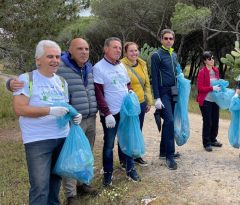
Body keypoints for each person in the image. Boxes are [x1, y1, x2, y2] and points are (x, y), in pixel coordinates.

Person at [8, 38, 98, 205]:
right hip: (37, 141)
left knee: (55, 183)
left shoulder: (61, 82)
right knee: (40, 186)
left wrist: (73, 115)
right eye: (50, 56)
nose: (55, 60)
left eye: (57, 57)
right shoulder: (26, 79)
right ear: (38, 60)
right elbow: (20, 109)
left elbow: (64, 108)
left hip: (61, 138)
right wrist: (49, 110)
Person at [94, 37, 140, 186]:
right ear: (106, 49)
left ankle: (130, 169)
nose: (118, 50)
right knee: (109, 145)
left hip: (125, 112)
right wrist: (106, 113)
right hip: (111, 115)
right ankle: (108, 174)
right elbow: (99, 93)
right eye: (115, 47)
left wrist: (131, 91)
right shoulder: (99, 67)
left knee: (127, 140)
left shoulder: (121, 66)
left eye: (120, 48)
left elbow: (126, 84)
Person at [118, 42, 153, 167]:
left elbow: (147, 84)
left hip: (141, 103)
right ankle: (124, 159)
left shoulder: (142, 64)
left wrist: (149, 100)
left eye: (136, 50)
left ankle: (136, 155)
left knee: (137, 130)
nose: (134, 53)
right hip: (128, 104)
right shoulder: (121, 65)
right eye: (131, 51)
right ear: (126, 53)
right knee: (127, 131)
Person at [150, 29, 180, 170]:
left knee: (169, 123)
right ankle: (169, 156)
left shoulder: (173, 54)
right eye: (166, 38)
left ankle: (163, 151)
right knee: (169, 121)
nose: (168, 40)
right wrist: (157, 97)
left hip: (173, 91)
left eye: (171, 38)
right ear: (161, 39)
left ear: (173, 40)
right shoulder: (156, 55)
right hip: (163, 93)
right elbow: (154, 78)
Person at [196, 51, 223, 152]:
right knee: (208, 122)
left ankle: (213, 139)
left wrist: (221, 86)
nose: (212, 60)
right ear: (205, 61)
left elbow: (218, 82)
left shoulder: (216, 70)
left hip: (215, 100)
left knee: (215, 121)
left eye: (212, 57)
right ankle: (206, 143)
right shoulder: (202, 72)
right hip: (205, 100)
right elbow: (200, 88)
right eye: (209, 58)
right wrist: (212, 88)